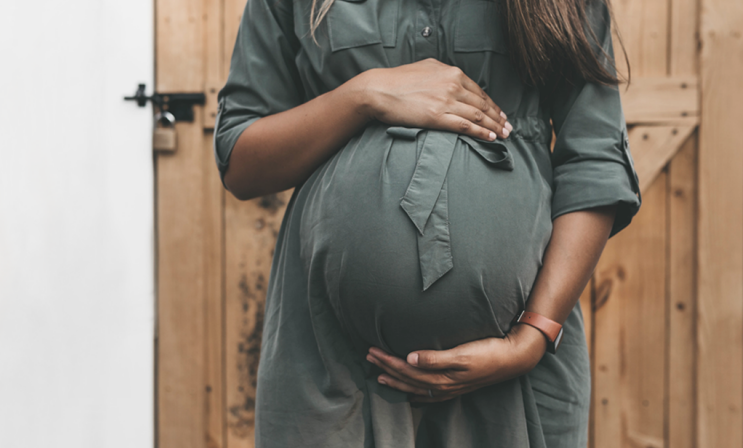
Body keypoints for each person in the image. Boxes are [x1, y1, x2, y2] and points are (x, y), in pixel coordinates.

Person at [213, 0, 641, 445]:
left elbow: (594, 160)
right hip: (332, 369)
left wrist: (533, 336)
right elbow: (241, 163)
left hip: (516, 375)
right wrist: (363, 95)